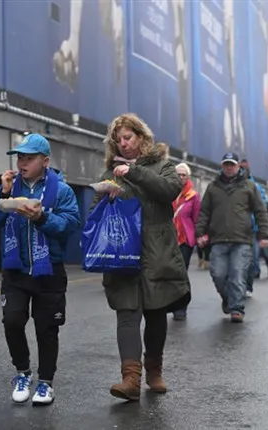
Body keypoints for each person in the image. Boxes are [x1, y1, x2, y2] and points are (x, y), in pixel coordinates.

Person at [93, 114, 190, 402]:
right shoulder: (108, 172)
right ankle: (130, 379)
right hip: (122, 252)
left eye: (128, 137)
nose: (123, 144)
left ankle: (154, 370)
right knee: (127, 314)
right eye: (118, 140)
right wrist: (105, 200)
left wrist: (133, 173)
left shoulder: (163, 165)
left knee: (156, 314)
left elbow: (169, 190)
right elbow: (96, 214)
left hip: (156, 252)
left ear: (141, 137)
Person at [0, 133, 80, 405]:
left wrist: (42, 217)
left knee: (47, 328)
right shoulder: (10, 186)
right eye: (20, 157)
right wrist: (2, 193)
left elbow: (70, 224)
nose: (22, 163)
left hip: (49, 270)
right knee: (12, 321)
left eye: (29, 158)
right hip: (15, 271)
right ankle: (22, 372)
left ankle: (46, 382)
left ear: (45, 161)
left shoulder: (61, 190)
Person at [196, 153, 268, 323]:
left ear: (238, 167)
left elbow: (261, 211)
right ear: (222, 166)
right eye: (226, 164)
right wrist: (200, 233)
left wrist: (264, 234)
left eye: (232, 165)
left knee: (237, 274)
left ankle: (236, 308)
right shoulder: (213, 187)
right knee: (218, 274)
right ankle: (228, 299)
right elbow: (204, 212)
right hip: (218, 240)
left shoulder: (249, 187)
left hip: (241, 240)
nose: (229, 168)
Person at [171, 163, 201, 321]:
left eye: (183, 175)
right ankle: (169, 303)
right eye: (178, 174)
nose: (180, 177)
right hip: (167, 240)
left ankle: (181, 307)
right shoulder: (167, 192)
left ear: (188, 177)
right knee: (168, 273)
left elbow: (197, 219)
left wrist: (201, 236)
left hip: (184, 241)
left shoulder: (193, 196)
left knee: (181, 274)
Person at [239, 158, 268, 299]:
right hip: (235, 228)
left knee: (251, 259)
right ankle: (238, 287)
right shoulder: (231, 186)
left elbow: (262, 208)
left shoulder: (256, 187)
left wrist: (262, 231)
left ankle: (248, 284)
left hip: (251, 229)